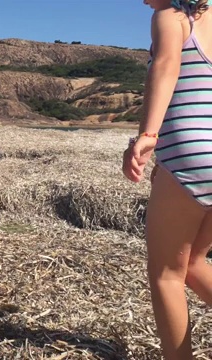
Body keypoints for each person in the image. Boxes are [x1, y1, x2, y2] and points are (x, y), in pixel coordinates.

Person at [122, 0, 212, 358]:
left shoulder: (172, 17)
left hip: (192, 154)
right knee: (193, 263)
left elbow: (166, 65)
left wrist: (149, 135)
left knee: (166, 275)